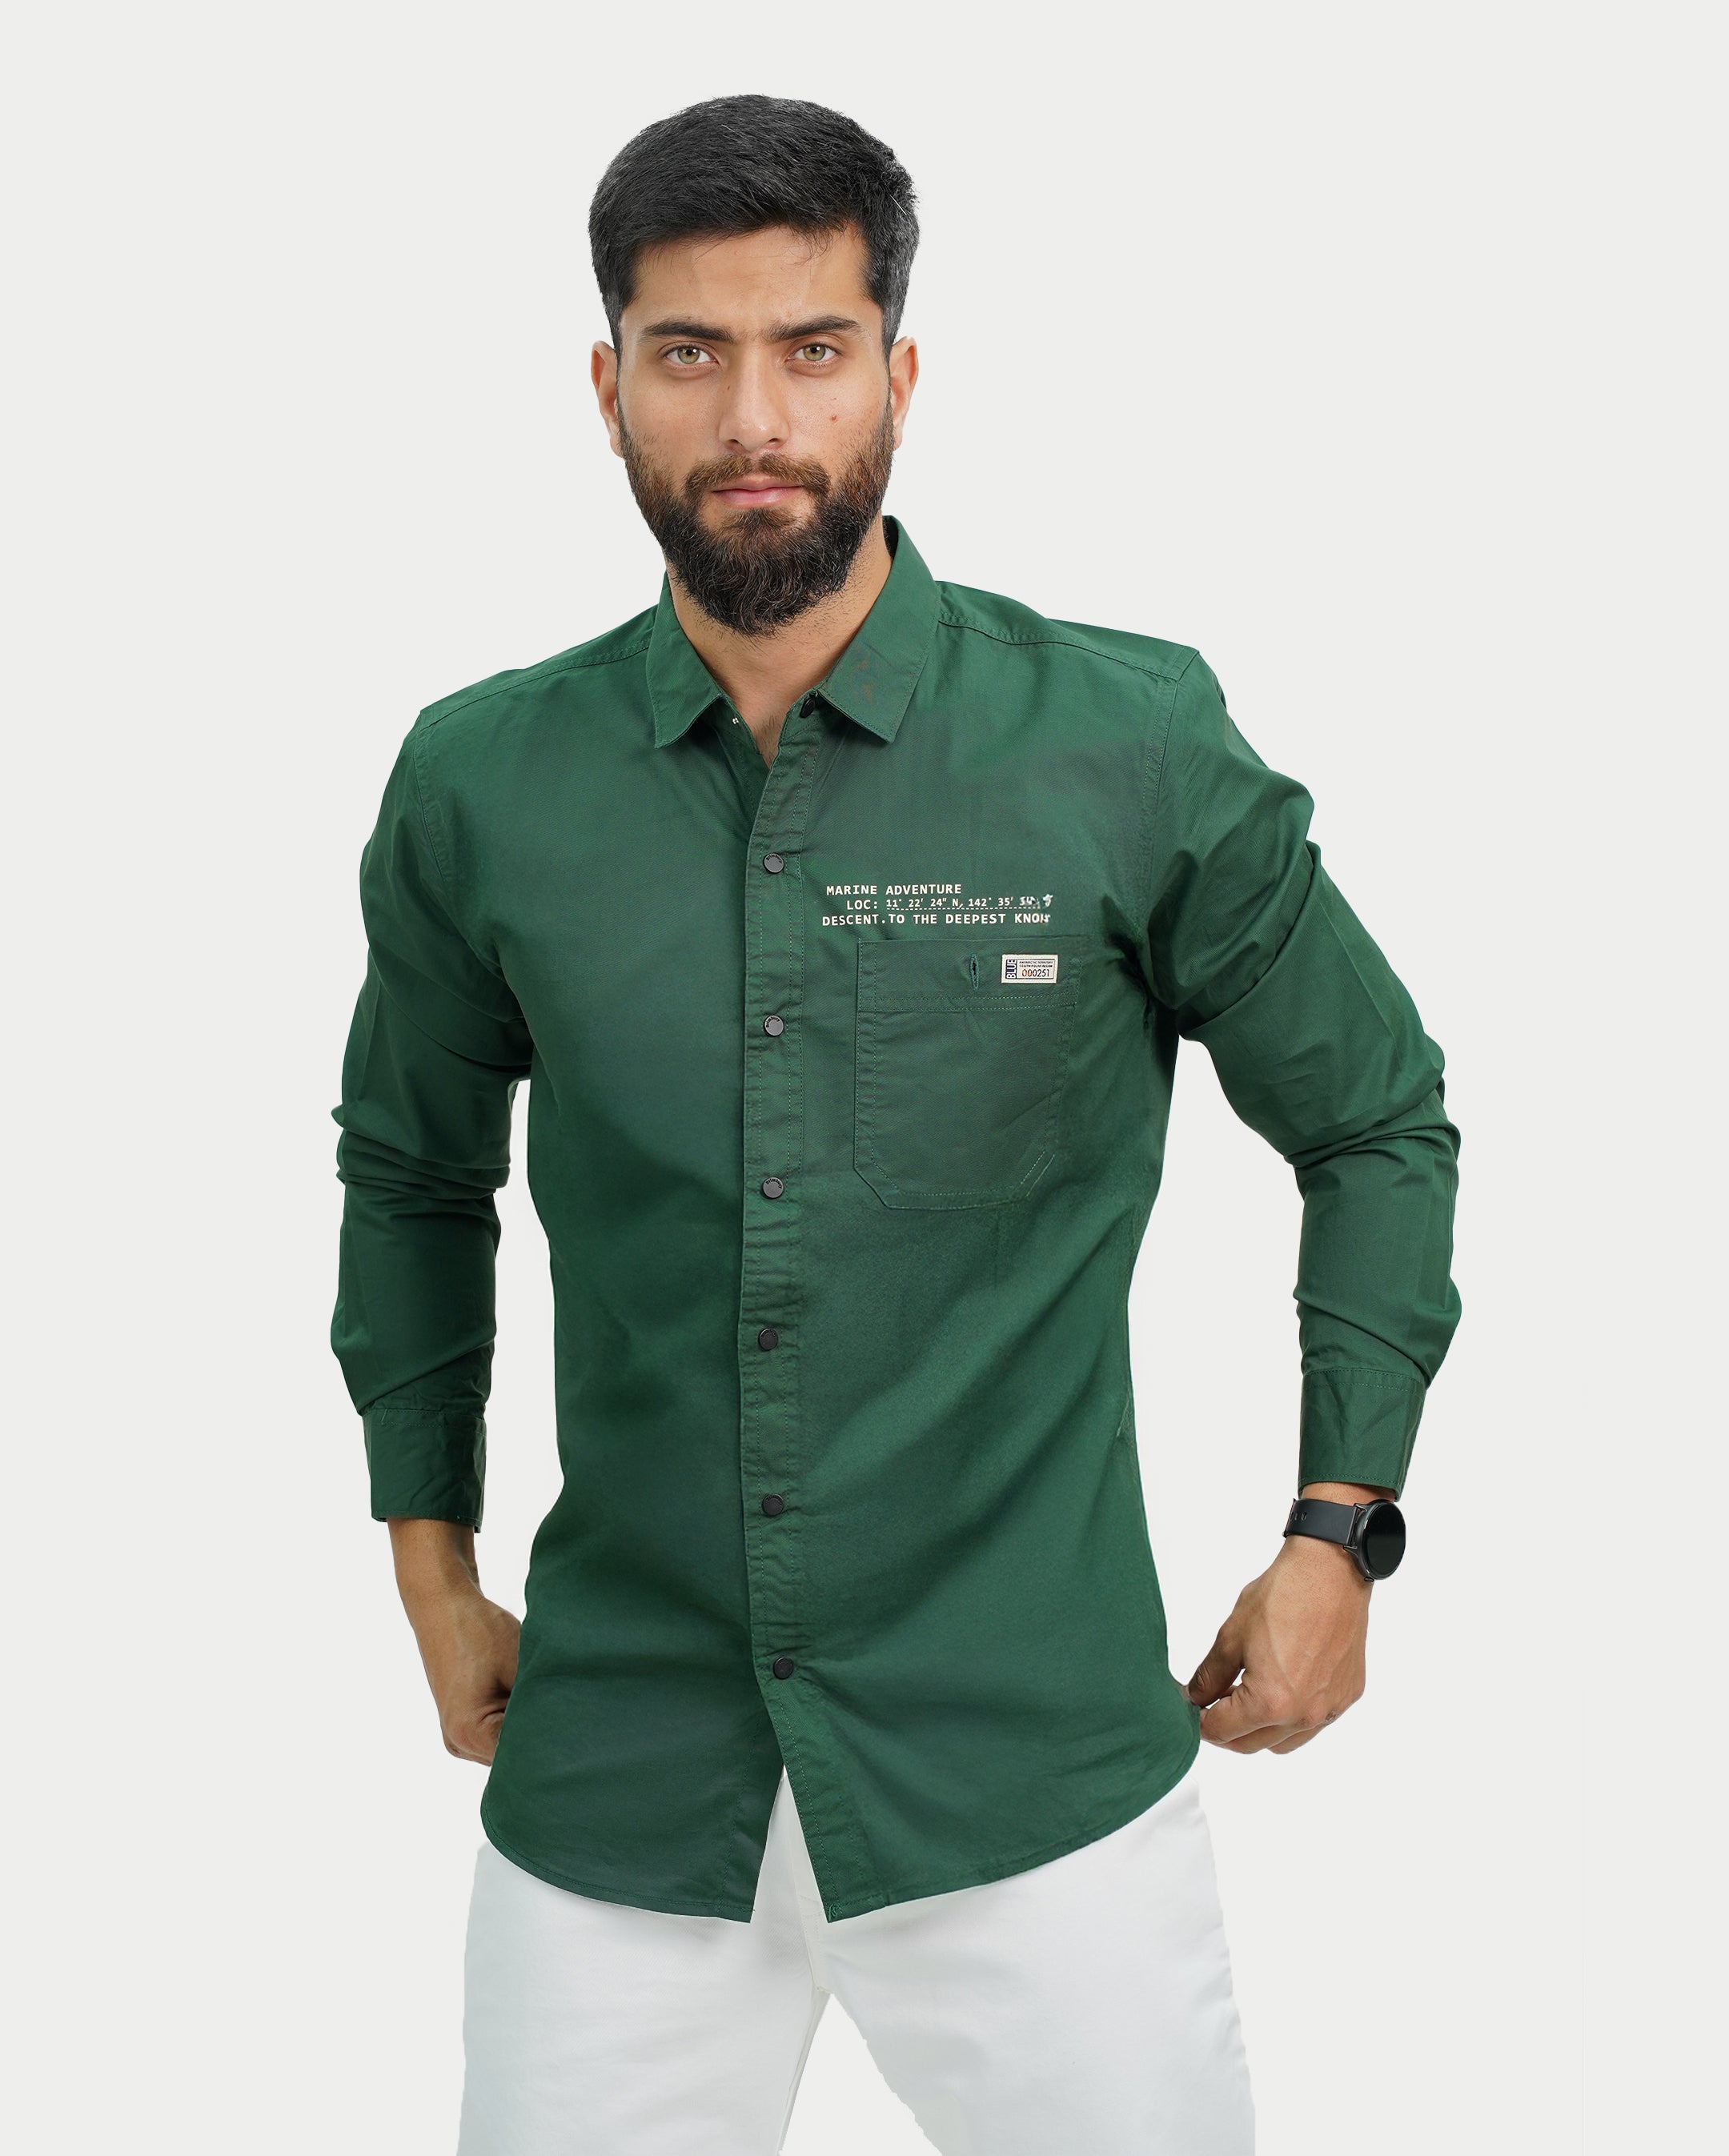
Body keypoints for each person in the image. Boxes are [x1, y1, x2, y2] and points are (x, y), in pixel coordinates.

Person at [331, 92, 1461, 2156]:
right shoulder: (482, 780)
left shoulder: (1125, 744)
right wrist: (432, 1568)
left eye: (814, 348)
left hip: (1036, 1779)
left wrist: (1340, 1533)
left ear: (900, 377)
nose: (755, 417)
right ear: (608, 387)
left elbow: (1376, 1117)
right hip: (625, 1783)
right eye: (691, 352)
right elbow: (413, 1176)